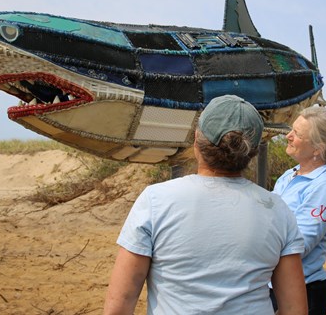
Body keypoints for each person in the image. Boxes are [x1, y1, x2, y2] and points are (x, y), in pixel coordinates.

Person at [103, 95, 308, 315]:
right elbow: (294, 309)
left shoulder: (156, 201)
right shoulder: (276, 209)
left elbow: (119, 306)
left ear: (197, 138)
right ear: (253, 151)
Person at [271, 106, 326, 315]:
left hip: (304, 292)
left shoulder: (325, 187)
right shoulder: (289, 175)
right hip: (276, 286)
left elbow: (299, 244)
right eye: (291, 130)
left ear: (317, 148)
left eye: (296, 134)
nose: (288, 136)